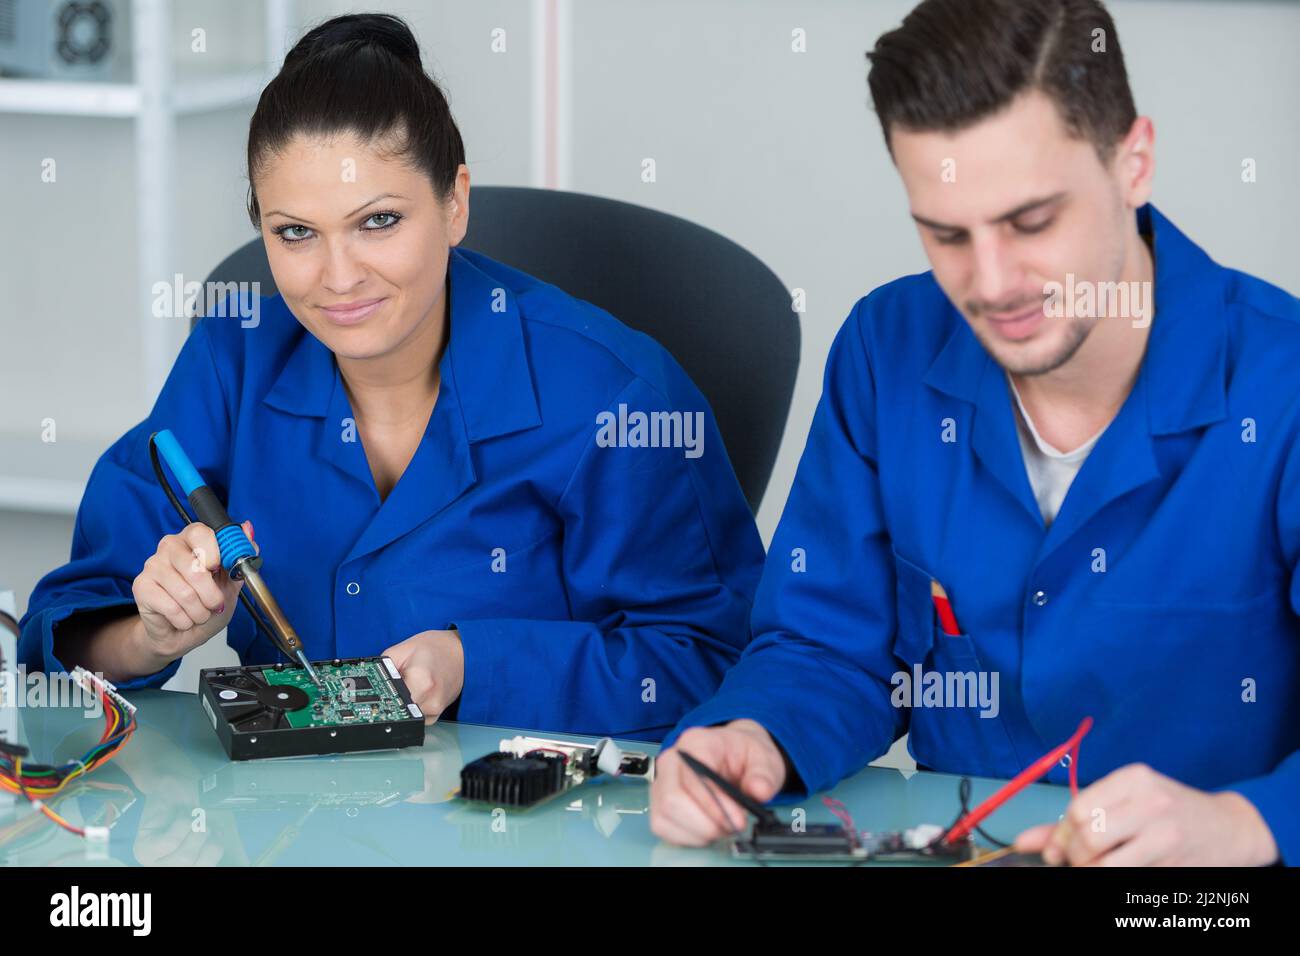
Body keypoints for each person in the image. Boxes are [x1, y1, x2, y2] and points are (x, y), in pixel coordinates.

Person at [651, 0, 1298, 865]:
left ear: (1133, 163)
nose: (993, 286)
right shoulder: (886, 348)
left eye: (1032, 222)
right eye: (946, 233)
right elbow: (826, 645)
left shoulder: (1281, 385)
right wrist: (756, 735)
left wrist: (1251, 826)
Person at [18, 13, 763, 742]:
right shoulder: (231, 361)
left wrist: (475, 664)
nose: (338, 278)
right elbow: (63, 643)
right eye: (296, 233)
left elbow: (717, 659)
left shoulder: (616, 397)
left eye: (377, 221)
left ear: (455, 202)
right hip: (286, 828)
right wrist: (152, 635)